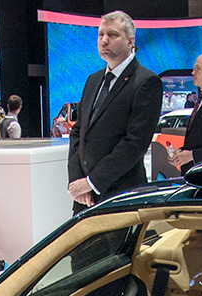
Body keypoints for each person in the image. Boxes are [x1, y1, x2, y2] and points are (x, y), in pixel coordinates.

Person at [66, 11, 162, 211]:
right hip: (84, 197)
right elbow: (78, 132)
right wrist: (77, 181)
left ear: (130, 41)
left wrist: (92, 182)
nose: (104, 40)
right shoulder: (93, 80)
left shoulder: (146, 81)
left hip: (121, 196)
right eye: (101, 34)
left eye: (112, 35)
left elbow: (135, 143)